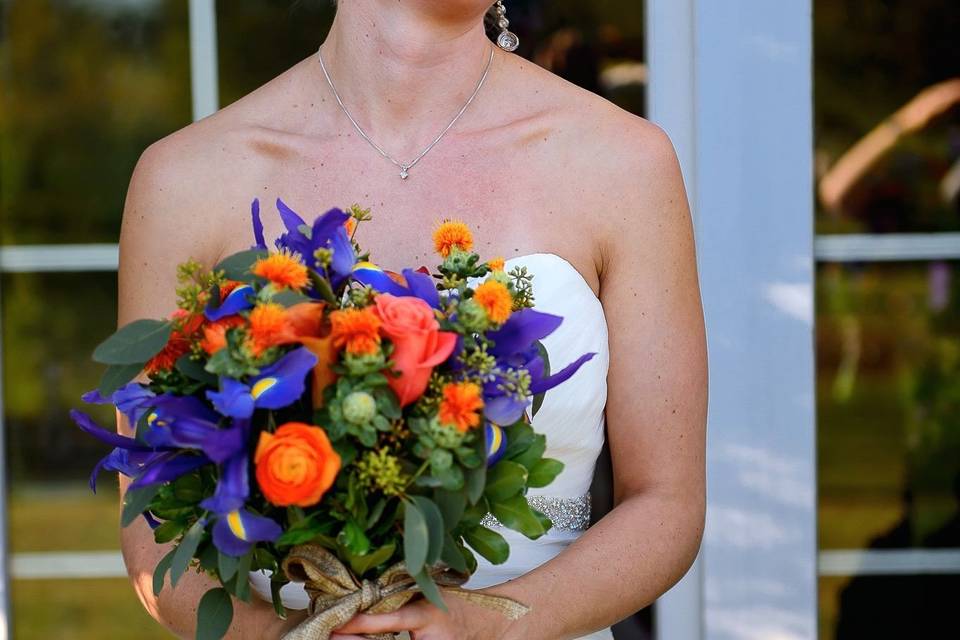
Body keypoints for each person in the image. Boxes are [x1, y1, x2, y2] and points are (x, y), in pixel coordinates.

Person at [115, 1, 708, 638]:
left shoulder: (624, 163)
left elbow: (665, 502)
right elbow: (154, 528)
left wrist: (492, 626)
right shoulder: (184, 179)